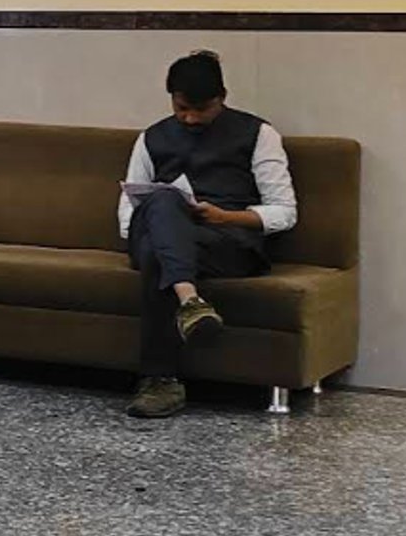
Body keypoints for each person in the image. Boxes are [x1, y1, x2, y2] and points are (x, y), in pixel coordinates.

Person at [119, 51, 297, 419]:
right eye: (182, 108)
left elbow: (285, 211)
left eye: (201, 109)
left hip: (225, 242)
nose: (191, 118)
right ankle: (190, 301)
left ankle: (160, 381)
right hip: (163, 232)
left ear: (223, 96)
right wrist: (159, 227)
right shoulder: (151, 137)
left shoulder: (258, 135)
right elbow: (129, 204)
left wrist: (225, 216)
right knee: (163, 200)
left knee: (158, 252)